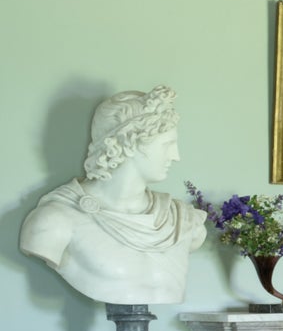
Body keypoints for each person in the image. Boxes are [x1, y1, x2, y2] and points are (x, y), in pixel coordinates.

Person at [21, 87, 208, 306]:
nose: (176, 156)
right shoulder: (55, 222)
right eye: (167, 145)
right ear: (129, 143)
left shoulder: (184, 221)